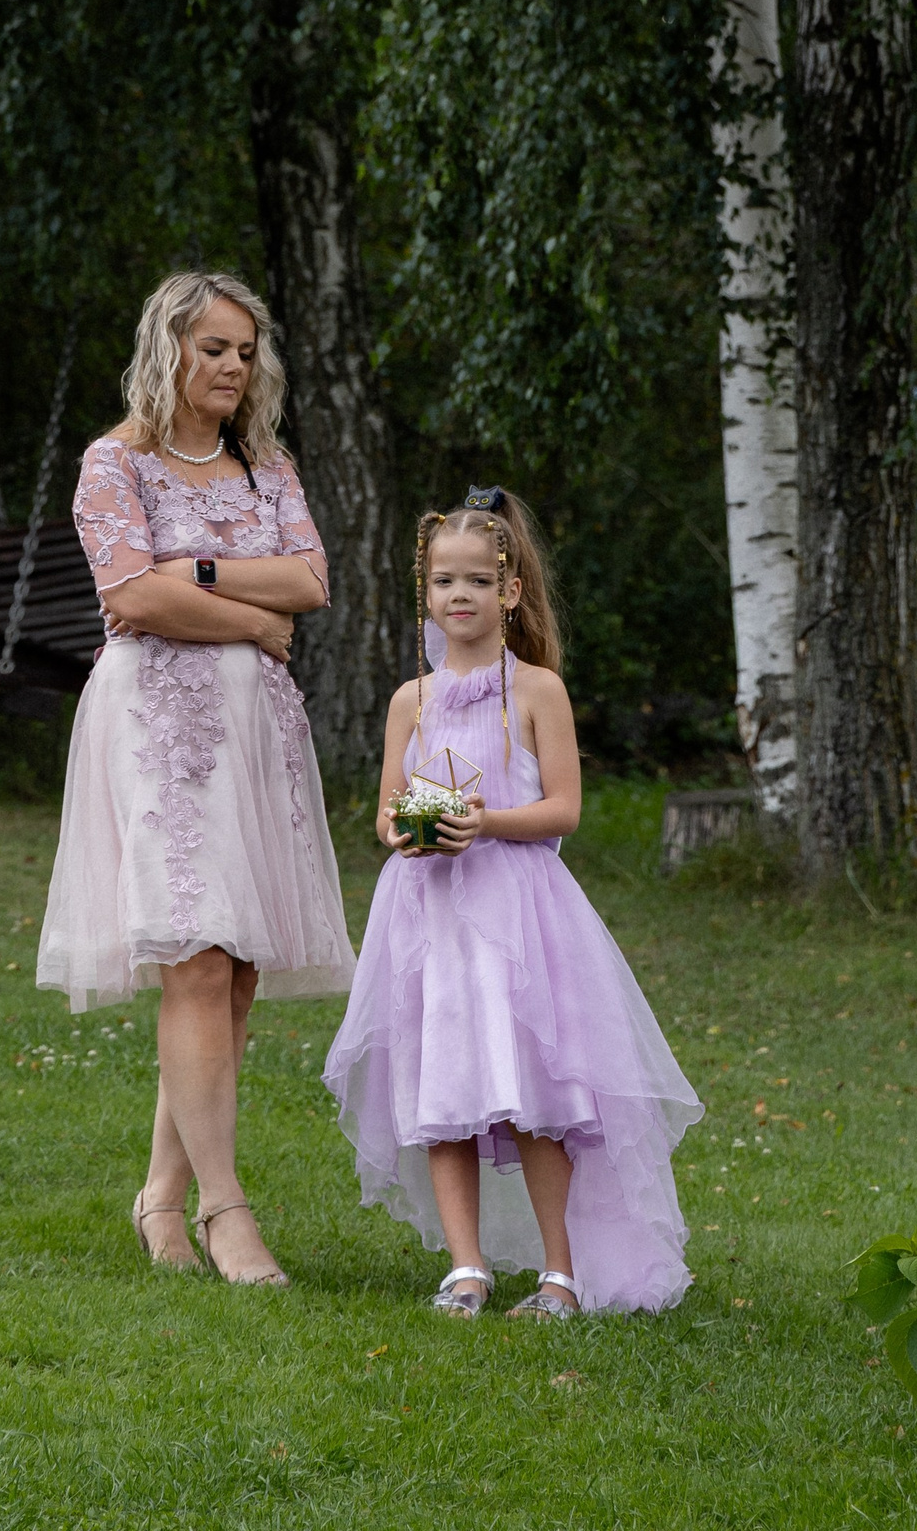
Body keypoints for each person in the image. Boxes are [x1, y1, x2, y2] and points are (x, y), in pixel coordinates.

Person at [38, 269, 354, 1286]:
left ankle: (161, 1200)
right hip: (158, 730)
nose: (232, 367)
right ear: (167, 349)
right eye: (213, 348)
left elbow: (311, 581)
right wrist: (255, 621)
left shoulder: (267, 468)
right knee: (196, 957)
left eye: (245, 352)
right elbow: (132, 597)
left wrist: (203, 575)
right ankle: (228, 1209)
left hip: (256, 735)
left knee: (239, 967)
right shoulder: (114, 464)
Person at [323, 487, 702, 1316]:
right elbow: (385, 811)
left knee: (532, 1091)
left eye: (477, 581)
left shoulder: (536, 691)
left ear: (511, 591)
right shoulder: (410, 701)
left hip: (517, 917)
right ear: (424, 592)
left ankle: (561, 1272)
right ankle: (467, 1268)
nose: (458, 596)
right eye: (442, 581)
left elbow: (564, 809)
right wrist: (407, 831)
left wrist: (484, 822)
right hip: (431, 915)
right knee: (441, 1086)